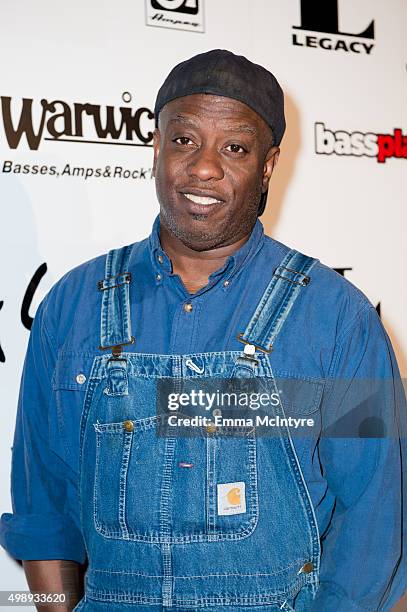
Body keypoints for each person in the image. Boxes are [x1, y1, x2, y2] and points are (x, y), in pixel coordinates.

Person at [1, 49, 406, 611]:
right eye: (185, 140)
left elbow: (375, 521)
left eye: (234, 148)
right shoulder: (71, 306)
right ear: (157, 146)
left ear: (267, 166)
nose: (203, 167)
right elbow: (42, 510)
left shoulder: (338, 319)